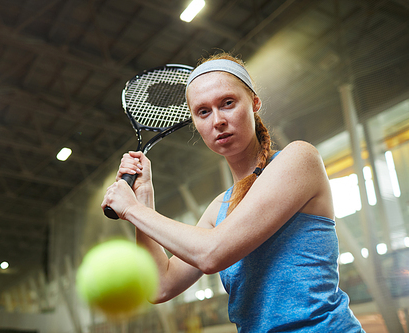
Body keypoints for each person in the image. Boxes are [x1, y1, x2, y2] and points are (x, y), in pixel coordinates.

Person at [101, 52, 364, 332]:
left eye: (227, 103)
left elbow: (211, 253)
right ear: (196, 124)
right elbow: (160, 286)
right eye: (203, 112)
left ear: (254, 103)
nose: (217, 120)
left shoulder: (299, 159)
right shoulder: (218, 209)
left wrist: (132, 210)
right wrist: (144, 199)